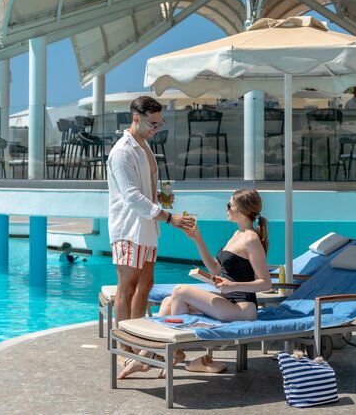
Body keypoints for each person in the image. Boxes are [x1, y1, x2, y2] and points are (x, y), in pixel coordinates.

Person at [119, 188, 271, 379]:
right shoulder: (236, 235)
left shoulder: (251, 239)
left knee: (180, 291)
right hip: (228, 302)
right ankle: (144, 358)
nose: (226, 209)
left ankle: (174, 351)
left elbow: (265, 283)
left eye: (229, 205)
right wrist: (197, 238)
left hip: (243, 308)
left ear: (241, 210)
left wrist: (233, 286)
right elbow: (215, 269)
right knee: (168, 302)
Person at [107, 96, 195, 356]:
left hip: (146, 228)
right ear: (136, 118)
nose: (157, 128)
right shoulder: (122, 152)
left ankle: (139, 341)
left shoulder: (144, 147)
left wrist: (158, 197)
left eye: (160, 123)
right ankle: (125, 349)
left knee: (146, 283)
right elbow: (131, 196)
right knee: (127, 287)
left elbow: (142, 191)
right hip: (128, 229)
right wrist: (168, 217)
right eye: (153, 124)